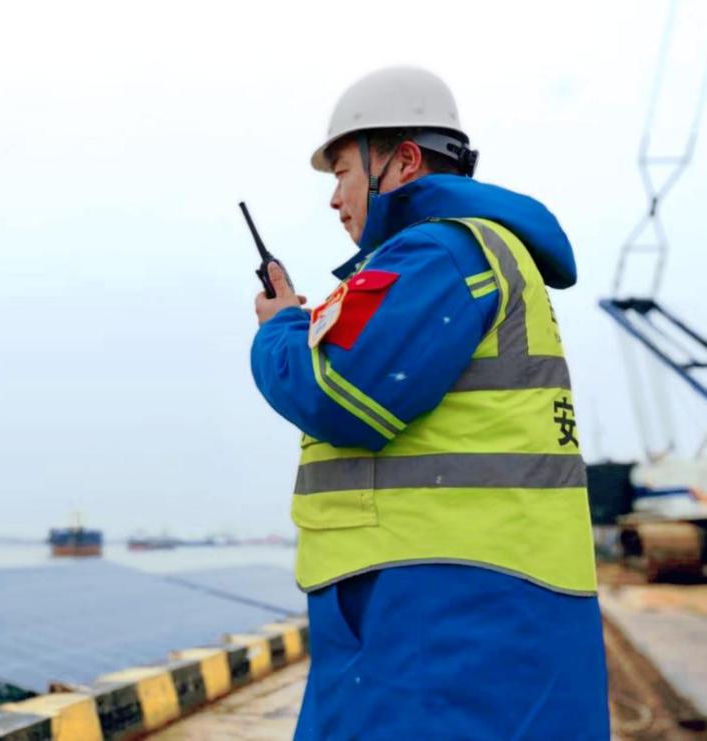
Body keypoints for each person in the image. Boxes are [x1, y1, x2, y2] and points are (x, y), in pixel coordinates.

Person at [250, 67, 610, 739]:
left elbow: (338, 395)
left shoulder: (438, 253)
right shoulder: (463, 256)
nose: (334, 198)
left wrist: (280, 330)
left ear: (404, 161)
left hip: (445, 609)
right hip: (471, 601)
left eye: (342, 172)